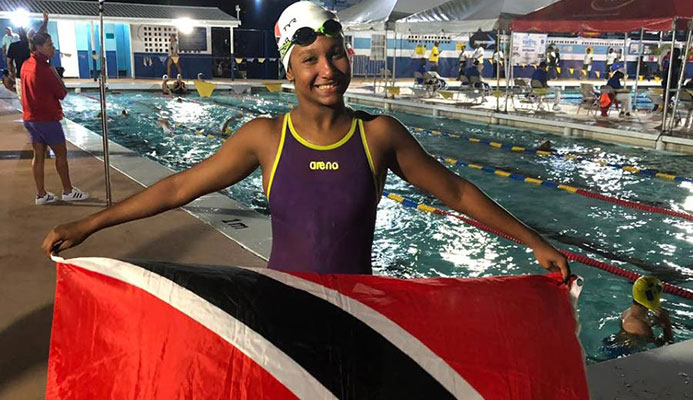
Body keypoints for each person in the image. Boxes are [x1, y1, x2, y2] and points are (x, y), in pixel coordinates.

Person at [42, 2, 570, 281]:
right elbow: (179, 187)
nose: (327, 70)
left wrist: (536, 243)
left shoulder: (378, 134)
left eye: (335, 54)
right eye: (310, 60)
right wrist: (90, 223)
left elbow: (455, 192)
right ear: (289, 71)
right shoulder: (265, 139)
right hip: (285, 301)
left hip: (363, 303)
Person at [22, 31, 87, 205]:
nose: (54, 48)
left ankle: (41, 195)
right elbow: (62, 93)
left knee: (39, 155)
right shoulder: (45, 69)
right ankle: (68, 191)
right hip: (47, 119)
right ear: (39, 47)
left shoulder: (26, 64)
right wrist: (55, 73)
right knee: (61, 154)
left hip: (30, 119)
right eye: (50, 45)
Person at [618, 276, 673, 346]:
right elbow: (667, 347)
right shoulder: (641, 326)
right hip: (622, 353)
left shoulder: (627, 312)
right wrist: (667, 324)